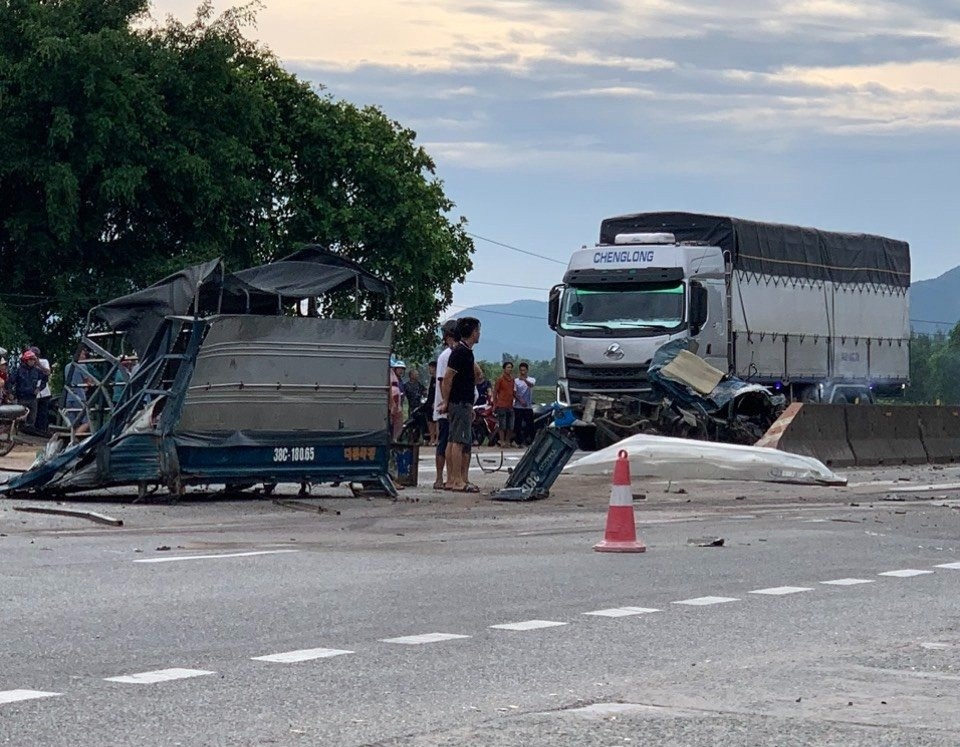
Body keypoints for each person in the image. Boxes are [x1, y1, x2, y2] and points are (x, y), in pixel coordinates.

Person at [440, 317, 481, 492]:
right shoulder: (462, 352)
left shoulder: (460, 351)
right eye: (478, 331)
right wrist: (446, 401)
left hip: (459, 402)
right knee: (458, 441)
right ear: (472, 332)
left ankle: (451, 479)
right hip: (460, 402)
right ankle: (457, 480)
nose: (479, 334)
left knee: (452, 439)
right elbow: (448, 378)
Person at [432, 321, 459, 489]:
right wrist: (446, 403)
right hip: (445, 407)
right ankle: (439, 478)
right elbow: (443, 381)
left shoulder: (454, 354)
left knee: (449, 441)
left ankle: (448, 477)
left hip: (449, 405)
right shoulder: (446, 356)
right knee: (444, 442)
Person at [9, 349, 47, 428]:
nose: (32, 361)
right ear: (26, 360)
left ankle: (29, 432)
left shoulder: (37, 371)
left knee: (31, 419)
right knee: (18, 418)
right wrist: (11, 393)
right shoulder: (18, 370)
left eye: (34, 359)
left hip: (32, 398)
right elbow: (10, 381)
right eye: (31, 359)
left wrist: (39, 389)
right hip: (21, 398)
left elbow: (45, 377)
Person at [64, 348, 94, 437]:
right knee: (87, 422)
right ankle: (76, 438)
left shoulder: (67, 366)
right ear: (79, 355)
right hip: (79, 397)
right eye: (83, 354)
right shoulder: (82, 366)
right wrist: (87, 386)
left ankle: (72, 440)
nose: (85, 357)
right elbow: (89, 381)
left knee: (73, 424)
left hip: (69, 397)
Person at [492, 361, 515, 447]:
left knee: (511, 425)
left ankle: (507, 441)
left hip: (510, 405)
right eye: (508, 367)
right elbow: (495, 392)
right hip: (501, 405)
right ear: (504, 369)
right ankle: (502, 441)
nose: (510, 369)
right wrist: (495, 404)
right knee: (502, 425)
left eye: (510, 367)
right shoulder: (500, 379)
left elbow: (513, 392)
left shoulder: (512, 379)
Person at [513, 361, 537, 446]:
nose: (522, 372)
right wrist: (520, 400)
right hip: (518, 406)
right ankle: (518, 441)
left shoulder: (531, 379)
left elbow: (531, 385)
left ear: (527, 370)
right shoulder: (516, 381)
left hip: (528, 407)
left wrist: (525, 380)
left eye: (524, 370)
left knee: (530, 425)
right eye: (521, 370)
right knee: (518, 425)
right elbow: (514, 392)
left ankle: (530, 440)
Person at [30, 346, 52, 434]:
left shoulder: (44, 361)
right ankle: (33, 429)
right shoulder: (29, 364)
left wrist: (39, 364)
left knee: (43, 412)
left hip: (44, 392)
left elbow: (48, 372)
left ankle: (42, 430)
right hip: (34, 392)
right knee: (34, 412)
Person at [389, 356, 405, 441]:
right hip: (393, 403)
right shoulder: (389, 375)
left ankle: (394, 438)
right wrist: (392, 403)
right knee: (392, 421)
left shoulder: (399, 380)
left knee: (397, 422)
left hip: (397, 403)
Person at [425, 360, 438, 446]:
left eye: (431, 368)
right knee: (429, 420)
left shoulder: (438, 378)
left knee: (436, 421)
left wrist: (435, 402)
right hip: (429, 402)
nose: (430, 370)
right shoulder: (432, 378)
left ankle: (437, 439)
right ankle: (432, 438)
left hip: (435, 402)